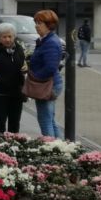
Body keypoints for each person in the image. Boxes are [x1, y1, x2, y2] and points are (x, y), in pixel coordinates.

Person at [30, 9, 65, 137]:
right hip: (49, 84)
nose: (36, 26)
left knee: (45, 120)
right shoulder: (46, 40)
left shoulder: (50, 42)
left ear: (49, 24)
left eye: (39, 23)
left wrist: (34, 78)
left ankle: (50, 146)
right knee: (50, 119)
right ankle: (60, 145)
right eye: (36, 23)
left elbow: (50, 68)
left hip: (47, 85)